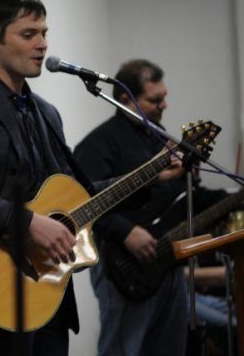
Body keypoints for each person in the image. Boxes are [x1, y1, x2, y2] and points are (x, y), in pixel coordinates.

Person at [0, 0, 165, 355]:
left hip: (48, 290)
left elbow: (74, 196)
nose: (42, 44)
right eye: (28, 34)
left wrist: (153, 174)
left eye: (44, 33)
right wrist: (28, 223)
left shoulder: (46, 113)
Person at [74, 58, 228, 356]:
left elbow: (182, 195)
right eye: (155, 99)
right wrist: (125, 231)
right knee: (124, 349)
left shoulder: (158, 136)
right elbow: (82, 200)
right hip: (121, 264)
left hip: (168, 260)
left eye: (164, 97)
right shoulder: (99, 143)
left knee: (170, 346)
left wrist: (230, 197)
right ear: (125, 100)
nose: (164, 105)